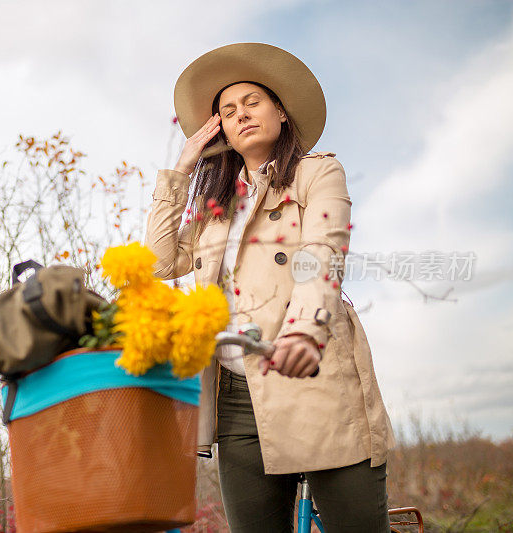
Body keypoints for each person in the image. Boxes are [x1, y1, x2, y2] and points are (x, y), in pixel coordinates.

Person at [144, 43, 396, 532]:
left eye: (252, 102)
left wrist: (302, 333)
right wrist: (180, 170)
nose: (241, 115)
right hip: (237, 400)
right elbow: (156, 264)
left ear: (280, 110)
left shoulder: (316, 173)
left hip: (315, 378)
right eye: (227, 111)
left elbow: (322, 256)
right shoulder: (216, 208)